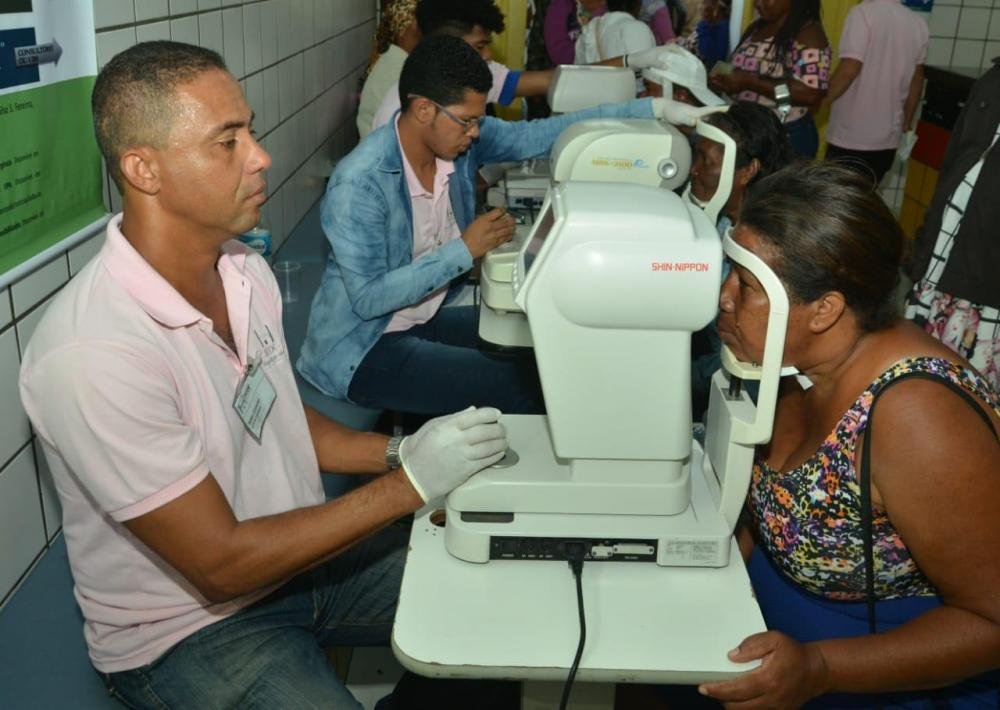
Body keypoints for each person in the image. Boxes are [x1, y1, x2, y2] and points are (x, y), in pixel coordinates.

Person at [18, 40, 509, 709]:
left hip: (294, 558)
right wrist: (411, 483)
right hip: (189, 631)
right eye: (227, 142)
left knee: (500, 615)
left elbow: (278, 414)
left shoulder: (241, 272)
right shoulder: (92, 352)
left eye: (250, 130)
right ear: (145, 169)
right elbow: (220, 566)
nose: (261, 156)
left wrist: (399, 451)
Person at [698, 163, 1000, 708]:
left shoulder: (916, 415)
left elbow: (991, 619)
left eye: (746, 284)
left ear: (824, 310)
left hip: (879, 677)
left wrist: (819, 668)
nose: (724, 298)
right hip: (777, 632)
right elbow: (765, 509)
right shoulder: (794, 364)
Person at [298, 34, 722, 416]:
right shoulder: (361, 183)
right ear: (423, 109)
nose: (476, 132)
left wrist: (654, 109)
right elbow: (370, 299)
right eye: (467, 120)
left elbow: (546, 132)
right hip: (364, 347)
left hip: (425, 313)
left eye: (479, 119)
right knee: (530, 387)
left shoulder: (458, 142)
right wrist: (464, 249)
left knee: (551, 345)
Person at [371, 0, 675, 132]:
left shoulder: (473, 73)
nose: (488, 55)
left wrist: (630, 61)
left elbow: (556, 79)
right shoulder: (402, 106)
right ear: (450, 45)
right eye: (480, 46)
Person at [685, 102, 794, 419]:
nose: (694, 170)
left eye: (706, 162)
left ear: (747, 171)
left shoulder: (769, 247)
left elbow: (748, 359)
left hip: (744, 383)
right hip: (716, 354)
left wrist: (669, 373)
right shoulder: (723, 221)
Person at [905, 60, 1000, 394]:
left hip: (987, 292)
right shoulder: (993, 78)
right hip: (942, 270)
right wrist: (924, 249)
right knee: (923, 387)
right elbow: (953, 165)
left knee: (976, 404)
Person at [823, 0, 928, 186]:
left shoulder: (862, 14)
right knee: (864, 201)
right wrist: (906, 122)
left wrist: (817, 103)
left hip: (852, 136)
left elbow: (849, 68)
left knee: (836, 205)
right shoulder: (917, 23)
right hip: (887, 140)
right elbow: (917, 80)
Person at [709, 0, 830, 158]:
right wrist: (725, 80)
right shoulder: (757, 27)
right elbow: (743, 72)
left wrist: (750, 83)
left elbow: (809, 94)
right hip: (750, 131)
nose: (759, 3)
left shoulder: (808, 33)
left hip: (786, 136)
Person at [358, 0, 421, 139]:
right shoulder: (396, 68)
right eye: (417, 34)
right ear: (401, 33)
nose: (422, 39)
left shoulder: (395, 60)